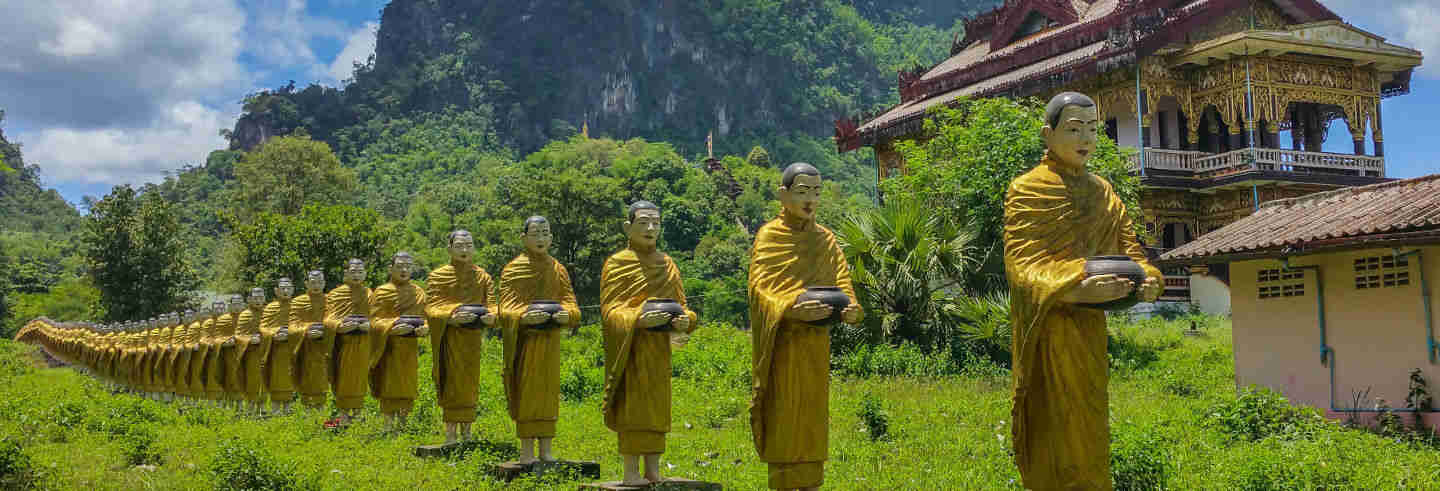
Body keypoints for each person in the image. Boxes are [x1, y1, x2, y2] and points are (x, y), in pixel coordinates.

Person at [1004, 92, 1162, 490]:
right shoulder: (1027, 189)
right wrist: (1076, 288)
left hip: (1089, 335)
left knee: (1089, 428)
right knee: (1053, 428)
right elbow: (1022, 267)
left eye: (1092, 129)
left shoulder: (1103, 193)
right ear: (1048, 134)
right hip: (1046, 332)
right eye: (1074, 129)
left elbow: (1131, 253)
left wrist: (1146, 281)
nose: (1085, 138)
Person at [748, 162, 863, 490]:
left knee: (812, 417)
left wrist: (851, 307)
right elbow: (760, 289)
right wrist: (793, 308)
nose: (810, 199)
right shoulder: (769, 235)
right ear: (783, 195)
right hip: (782, 345)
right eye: (801, 192)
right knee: (785, 415)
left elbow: (841, 277)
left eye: (815, 192)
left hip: (814, 345)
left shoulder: (824, 238)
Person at [599, 201, 697, 486]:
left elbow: (683, 307)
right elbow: (610, 311)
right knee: (633, 407)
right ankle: (630, 471)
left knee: (657, 408)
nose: (651, 228)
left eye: (655, 223)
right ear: (628, 227)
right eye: (643, 223)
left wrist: (685, 320)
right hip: (630, 350)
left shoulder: (667, 264)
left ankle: (653, 468)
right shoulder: (617, 263)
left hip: (658, 352)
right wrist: (640, 318)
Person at [498, 216, 580, 464]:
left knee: (548, 394)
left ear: (552, 238)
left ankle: (546, 449)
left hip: (550, 343)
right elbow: (506, 308)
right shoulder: (513, 269)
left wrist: (566, 314)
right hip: (525, 344)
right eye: (535, 233)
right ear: (524, 238)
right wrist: (524, 316)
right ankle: (526, 452)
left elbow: (572, 306)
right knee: (527, 393)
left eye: (545, 233)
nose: (541, 238)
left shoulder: (558, 269)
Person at [424, 230, 497, 443]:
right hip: (449, 339)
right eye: (459, 246)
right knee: (451, 383)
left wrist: (492, 316)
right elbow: (432, 307)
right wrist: (453, 316)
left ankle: (467, 433)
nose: (464, 250)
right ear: (449, 249)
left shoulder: (482, 276)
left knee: (470, 383)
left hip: (472, 340)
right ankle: (450, 434)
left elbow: (492, 305)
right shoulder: (438, 276)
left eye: (468, 245)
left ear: (474, 248)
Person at [369, 252, 429, 433]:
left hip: (409, 348)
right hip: (387, 348)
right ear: (390, 269)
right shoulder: (382, 291)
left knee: (407, 385)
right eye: (400, 266)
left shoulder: (418, 292)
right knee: (389, 385)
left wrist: (425, 328)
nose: (404, 270)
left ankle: (403, 426)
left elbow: (426, 318)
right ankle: (387, 426)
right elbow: (374, 321)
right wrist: (392, 327)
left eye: (408, 266)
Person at [326, 259, 373, 425]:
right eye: (353, 271)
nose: (357, 275)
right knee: (343, 378)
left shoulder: (369, 294)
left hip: (363, 343)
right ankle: (343, 414)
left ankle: (359, 412)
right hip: (343, 344)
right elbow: (328, 318)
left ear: (365, 274)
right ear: (345, 273)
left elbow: (377, 316)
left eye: (360, 272)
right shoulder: (335, 294)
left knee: (360, 378)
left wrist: (370, 324)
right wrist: (340, 326)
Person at [290, 270, 333, 410]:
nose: (316, 285)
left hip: (326, 348)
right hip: (306, 349)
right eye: (313, 282)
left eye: (320, 282)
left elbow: (336, 320)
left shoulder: (331, 301)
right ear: (306, 284)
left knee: (326, 381)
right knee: (308, 382)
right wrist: (307, 331)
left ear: (324, 283)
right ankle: (308, 416)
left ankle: (326, 416)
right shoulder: (297, 302)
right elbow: (292, 326)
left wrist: (326, 330)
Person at [261, 278, 300, 414]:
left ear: (293, 290)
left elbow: (301, 326)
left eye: (288, 288)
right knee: (276, 378)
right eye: (282, 288)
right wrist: (274, 334)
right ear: (276, 291)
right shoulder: (270, 308)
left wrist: (290, 333)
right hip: (275, 350)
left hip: (292, 349)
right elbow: (264, 328)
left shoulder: (297, 306)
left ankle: (288, 407)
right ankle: (275, 408)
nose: (285, 291)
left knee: (290, 377)